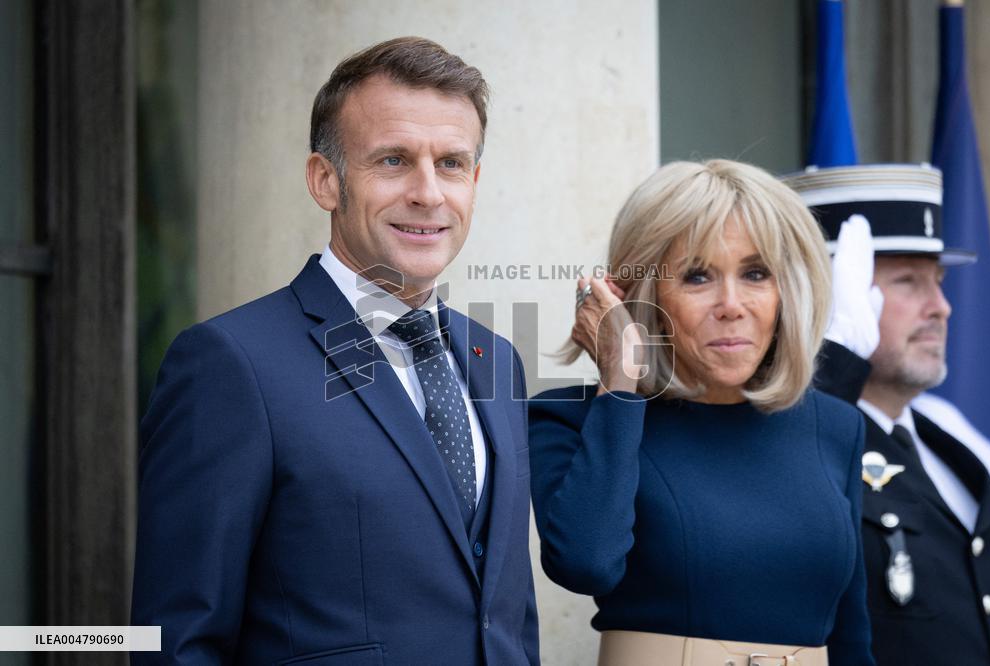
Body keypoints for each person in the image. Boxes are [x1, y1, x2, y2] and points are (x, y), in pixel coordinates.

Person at [131, 37, 539, 665]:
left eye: (451, 163)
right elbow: (177, 641)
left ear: (474, 182)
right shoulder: (230, 363)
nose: (429, 193)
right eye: (394, 160)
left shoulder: (497, 358)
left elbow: (505, 617)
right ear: (326, 181)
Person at [529, 159, 875, 666]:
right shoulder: (576, 419)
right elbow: (586, 565)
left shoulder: (837, 426)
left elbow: (851, 636)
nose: (731, 304)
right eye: (697, 276)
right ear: (641, 293)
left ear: (786, 291)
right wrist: (620, 379)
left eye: (755, 273)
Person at [785, 163, 990, 666]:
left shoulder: (948, 441)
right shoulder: (798, 440)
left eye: (939, 281)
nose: (942, 307)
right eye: (907, 282)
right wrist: (834, 361)